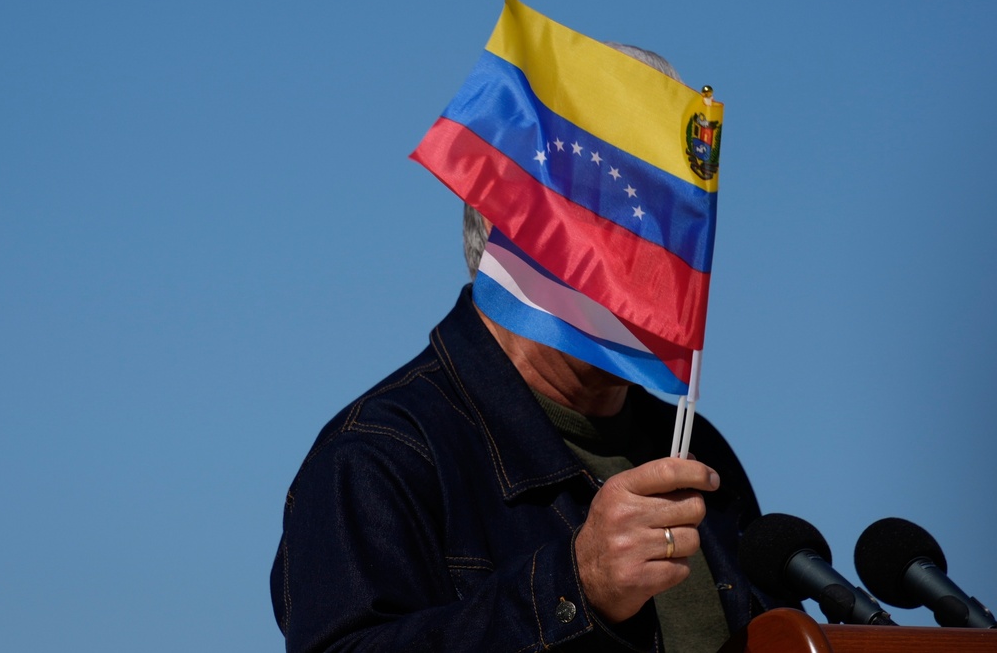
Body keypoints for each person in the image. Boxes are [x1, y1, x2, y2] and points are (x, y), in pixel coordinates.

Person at [271, 47, 797, 653]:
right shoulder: (380, 455)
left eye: (665, 208)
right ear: (509, 232)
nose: (647, 245)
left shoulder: (698, 453)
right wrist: (574, 586)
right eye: (612, 209)